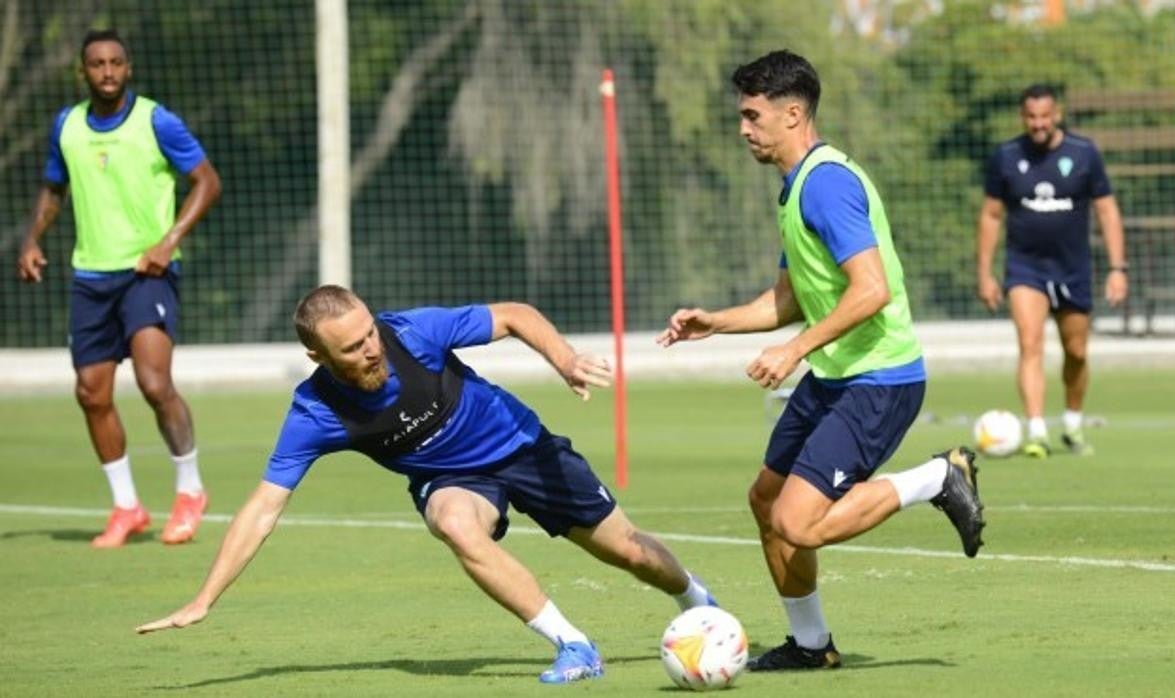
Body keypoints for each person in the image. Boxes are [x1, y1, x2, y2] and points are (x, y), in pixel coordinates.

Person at [136, 285, 717, 684]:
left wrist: (563, 358)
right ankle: (573, 645)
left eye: (368, 333)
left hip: (521, 446)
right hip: (450, 479)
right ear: (317, 356)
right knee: (453, 523)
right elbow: (265, 506)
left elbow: (513, 313)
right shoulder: (316, 413)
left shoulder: (413, 333)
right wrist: (205, 598)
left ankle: (699, 602)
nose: (371, 348)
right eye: (352, 347)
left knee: (635, 556)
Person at [656, 50, 984, 672]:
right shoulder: (796, 187)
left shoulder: (827, 183)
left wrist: (794, 348)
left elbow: (871, 288)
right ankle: (811, 645)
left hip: (879, 379)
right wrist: (716, 321)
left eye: (753, 115)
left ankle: (938, 479)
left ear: (793, 113)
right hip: (838, 376)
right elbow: (788, 298)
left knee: (799, 523)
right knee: (766, 501)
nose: (743, 128)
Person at [15, 28, 221, 547]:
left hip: (146, 273)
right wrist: (32, 240)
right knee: (91, 393)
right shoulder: (66, 126)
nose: (107, 72)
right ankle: (127, 506)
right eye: (96, 64)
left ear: (128, 69)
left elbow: (207, 181)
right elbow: (52, 187)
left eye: (115, 63)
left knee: (155, 384)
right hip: (90, 276)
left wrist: (167, 240)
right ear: (81, 72)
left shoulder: (156, 120)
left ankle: (190, 490)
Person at [976, 83, 1128, 458]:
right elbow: (991, 215)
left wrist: (1117, 268)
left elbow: (1107, 210)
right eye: (1031, 117)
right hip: (1025, 268)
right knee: (1030, 345)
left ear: (1056, 114)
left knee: (1076, 351)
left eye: (1045, 116)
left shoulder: (1084, 153)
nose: (1038, 124)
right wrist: (984, 273)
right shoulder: (1006, 156)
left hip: (1073, 269)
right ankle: (1037, 430)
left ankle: (1073, 423)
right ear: (1022, 117)